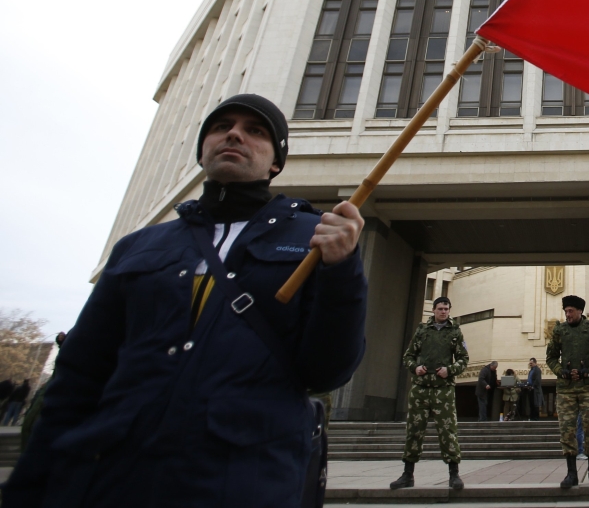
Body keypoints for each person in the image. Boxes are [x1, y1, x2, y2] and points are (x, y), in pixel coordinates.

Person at [4, 94, 368, 507]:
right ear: (202, 151)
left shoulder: (313, 237)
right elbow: (80, 375)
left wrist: (342, 271)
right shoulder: (138, 247)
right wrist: (31, 487)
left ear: (275, 163)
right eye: (221, 126)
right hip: (116, 479)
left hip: (243, 480)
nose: (234, 134)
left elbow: (328, 369)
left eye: (256, 131)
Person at [390, 295, 469, 490]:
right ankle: (407, 474)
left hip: (443, 390)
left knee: (448, 431)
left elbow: (463, 358)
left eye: (446, 309)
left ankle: (454, 475)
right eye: (440, 308)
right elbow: (408, 356)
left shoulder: (455, 332)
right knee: (414, 431)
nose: (443, 312)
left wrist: (449, 370)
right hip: (421, 388)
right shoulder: (422, 331)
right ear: (433, 310)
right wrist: (415, 368)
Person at [546, 294, 589, 488]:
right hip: (566, 389)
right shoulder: (559, 330)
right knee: (567, 429)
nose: (568, 314)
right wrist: (560, 371)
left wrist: (587, 371)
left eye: (571, 311)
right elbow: (551, 357)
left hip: (588, 387)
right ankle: (571, 473)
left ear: (580, 311)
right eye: (565, 311)